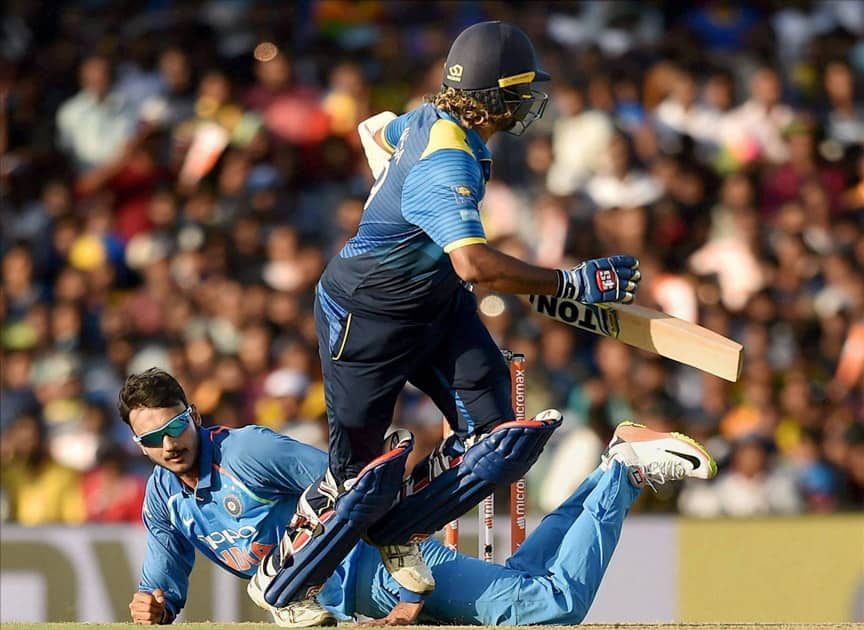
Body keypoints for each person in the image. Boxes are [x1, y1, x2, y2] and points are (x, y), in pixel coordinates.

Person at [262, 20, 643, 622]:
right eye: (519, 90)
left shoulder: (432, 121)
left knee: (501, 443)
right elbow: (474, 265)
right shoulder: (447, 158)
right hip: (370, 315)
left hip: (434, 302)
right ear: (491, 94)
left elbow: (378, 130)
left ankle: (401, 531)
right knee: (357, 478)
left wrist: (386, 175)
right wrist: (571, 282)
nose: (528, 104)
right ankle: (285, 583)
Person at [122, 368, 716, 627]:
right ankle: (611, 466)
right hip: (348, 606)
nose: (169, 444)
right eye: (151, 438)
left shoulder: (247, 451)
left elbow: (364, 488)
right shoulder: (162, 496)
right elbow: (163, 581)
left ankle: (624, 472)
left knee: (551, 609)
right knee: (528, 582)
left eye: (175, 427)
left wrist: (407, 589)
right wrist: (152, 603)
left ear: (193, 415)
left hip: (386, 571)